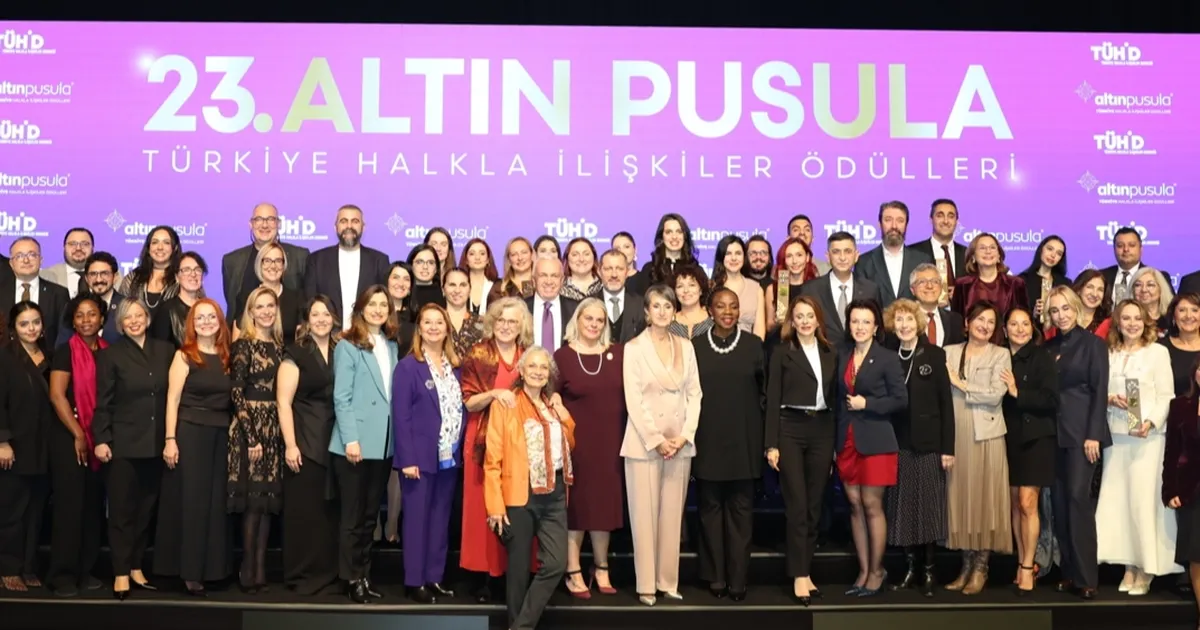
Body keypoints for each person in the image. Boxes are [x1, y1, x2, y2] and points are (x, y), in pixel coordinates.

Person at [622, 284, 702, 606]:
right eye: (656, 306)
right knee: (644, 517)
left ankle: (667, 581)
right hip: (644, 444)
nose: (662, 312)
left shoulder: (686, 346)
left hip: (679, 443)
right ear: (646, 311)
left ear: (674, 311)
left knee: (672, 516)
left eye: (668, 306)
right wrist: (656, 440)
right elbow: (634, 400)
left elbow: (695, 394)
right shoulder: (633, 349)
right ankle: (646, 584)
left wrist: (684, 435)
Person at [485, 346, 575, 630]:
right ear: (521, 371)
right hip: (519, 495)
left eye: (543, 367)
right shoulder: (505, 404)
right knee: (519, 569)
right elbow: (492, 460)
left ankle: (520, 626)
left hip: (555, 493)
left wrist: (564, 415)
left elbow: (570, 443)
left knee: (557, 563)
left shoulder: (553, 405)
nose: (538, 371)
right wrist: (495, 505)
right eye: (532, 366)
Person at [91, 298, 173, 599]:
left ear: (148, 319)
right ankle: (121, 572)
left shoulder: (166, 350)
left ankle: (137, 566)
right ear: (121, 324)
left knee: (146, 510)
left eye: (139, 315)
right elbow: (103, 402)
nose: (135, 321)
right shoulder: (110, 355)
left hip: (156, 444)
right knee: (122, 512)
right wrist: (101, 439)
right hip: (123, 445)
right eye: (128, 318)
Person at [1097, 300, 1180, 593]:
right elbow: (1098, 390)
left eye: (1137, 318)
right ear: (1117, 323)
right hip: (1116, 437)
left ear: (1145, 321)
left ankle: (1146, 568)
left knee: (1144, 503)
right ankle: (1129, 566)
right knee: (1120, 504)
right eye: (1126, 318)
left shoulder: (1157, 352)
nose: (1132, 324)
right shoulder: (1110, 353)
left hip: (1148, 439)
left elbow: (1167, 395)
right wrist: (1109, 398)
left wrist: (1151, 422)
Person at [155, 298, 234, 596]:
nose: (206, 322)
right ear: (192, 324)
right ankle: (189, 572)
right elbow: (172, 400)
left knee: (216, 504)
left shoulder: (228, 356)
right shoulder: (184, 355)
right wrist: (170, 440)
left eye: (211, 316)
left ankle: (213, 569)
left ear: (220, 321)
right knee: (194, 503)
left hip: (220, 436)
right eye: (199, 318)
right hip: (190, 434)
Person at [692, 287, 764, 600]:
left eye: (733, 306)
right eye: (720, 306)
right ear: (710, 310)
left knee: (741, 514)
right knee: (709, 512)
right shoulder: (694, 347)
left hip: (744, 442)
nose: (728, 312)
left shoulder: (754, 345)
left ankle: (737, 578)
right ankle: (716, 577)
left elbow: (764, 394)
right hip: (707, 440)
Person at [459, 297, 533, 602]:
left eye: (512, 321)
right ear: (492, 322)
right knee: (481, 509)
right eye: (501, 320)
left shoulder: (528, 356)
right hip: (482, 442)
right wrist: (495, 393)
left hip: (518, 447)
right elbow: (469, 402)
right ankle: (483, 577)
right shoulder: (479, 352)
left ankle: (509, 574)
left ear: (521, 325)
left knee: (514, 508)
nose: (506, 326)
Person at [766, 295, 836, 605]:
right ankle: (798, 575)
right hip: (790, 429)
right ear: (791, 321)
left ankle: (806, 572)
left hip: (821, 430)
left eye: (810, 315)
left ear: (818, 319)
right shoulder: (782, 353)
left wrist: (834, 446)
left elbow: (835, 402)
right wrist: (771, 444)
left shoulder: (831, 352)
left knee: (814, 507)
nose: (805, 321)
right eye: (799, 316)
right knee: (797, 506)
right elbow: (772, 399)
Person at [393, 304, 466, 604]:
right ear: (419, 328)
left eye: (439, 322)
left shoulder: (455, 366)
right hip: (419, 459)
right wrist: (407, 459)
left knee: (440, 519)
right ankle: (414, 581)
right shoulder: (408, 367)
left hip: (449, 457)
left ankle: (434, 577)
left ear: (447, 328)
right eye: (428, 322)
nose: (434, 327)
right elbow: (400, 417)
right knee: (417, 521)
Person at [881, 299, 954, 598]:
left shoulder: (934, 355)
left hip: (928, 445)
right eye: (899, 320)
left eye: (909, 319)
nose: (904, 325)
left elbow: (946, 404)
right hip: (897, 443)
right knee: (903, 508)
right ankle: (910, 569)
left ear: (919, 323)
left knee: (928, 509)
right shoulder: (887, 357)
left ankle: (929, 571)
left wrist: (948, 448)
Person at [330, 285, 398, 603]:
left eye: (384, 304)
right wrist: (351, 439)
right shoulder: (347, 346)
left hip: (383, 443)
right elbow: (341, 398)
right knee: (352, 518)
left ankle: (364, 574)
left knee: (370, 516)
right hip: (355, 445)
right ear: (361, 308)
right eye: (372, 304)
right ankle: (351, 578)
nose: (378, 309)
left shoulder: (391, 345)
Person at [555, 298, 626, 598]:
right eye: (589, 319)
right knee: (578, 507)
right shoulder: (562, 356)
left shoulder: (618, 354)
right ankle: (572, 570)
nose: (594, 325)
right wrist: (556, 403)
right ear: (577, 320)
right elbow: (551, 395)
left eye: (600, 320)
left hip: (611, 442)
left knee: (604, 506)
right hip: (577, 445)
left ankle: (601, 566)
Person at [836, 298, 906, 597]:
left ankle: (878, 571)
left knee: (871, 504)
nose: (860, 327)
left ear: (876, 327)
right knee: (854, 504)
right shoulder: (842, 354)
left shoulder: (887, 358)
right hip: (847, 440)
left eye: (866, 322)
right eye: (855, 321)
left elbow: (900, 400)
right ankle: (863, 570)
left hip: (877, 440)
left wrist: (869, 404)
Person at [1044, 285, 1110, 600]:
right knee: (1059, 504)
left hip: (1083, 435)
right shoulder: (1048, 346)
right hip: (1053, 436)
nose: (1061, 315)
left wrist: (1093, 434)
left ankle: (1087, 578)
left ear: (1076, 308)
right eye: (1054, 310)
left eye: (1066, 308)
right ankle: (1069, 572)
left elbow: (1100, 390)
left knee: (1077, 501)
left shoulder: (1093, 344)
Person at [943, 301, 1014, 594]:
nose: (984, 325)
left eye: (990, 321)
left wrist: (960, 384)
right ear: (967, 323)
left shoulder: (1001, 354)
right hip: (956, 434)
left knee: (985, 500)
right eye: (979, 319)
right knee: (962, 498)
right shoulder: (948, 352)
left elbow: (996, 395)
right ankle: (965, 566)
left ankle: (981, 567)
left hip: (987, 436)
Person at [46, 294, 109, 597]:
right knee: (70, 507)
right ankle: (62, 575)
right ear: (72, 321)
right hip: (69, 438)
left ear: (102, 319)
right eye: (80, 315)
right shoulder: (64, 351)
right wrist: (78, 434)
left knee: (92, 507)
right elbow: (57, 396)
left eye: (92, 314)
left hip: (98, 438)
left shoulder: (108, 352)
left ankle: (86, 570)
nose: (86, 320)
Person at [277, 296, 340, 595]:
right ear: (307, 320)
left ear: (334, 318)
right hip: (304, 441)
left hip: (335, 442)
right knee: (305, 511)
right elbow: (283, 402)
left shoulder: (342, 350)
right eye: (315, 314)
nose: (321, 319)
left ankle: (327, 573)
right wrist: (290, 444)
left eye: (326, 314)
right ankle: (301, 575)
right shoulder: (296, 353)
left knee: (329, 512)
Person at [228, 286, 285, 593]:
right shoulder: (243, 345)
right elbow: (236, 392)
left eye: (270, 306)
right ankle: (247, 568)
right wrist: (252, 438)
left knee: (266, 502)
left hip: (274, 427)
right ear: (250, 312)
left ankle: (261, 568)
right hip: (249, 428)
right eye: (259, 307)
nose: (265, 311)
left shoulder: (280, 345)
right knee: (252, 504)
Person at [1000, 306, 1059, 594]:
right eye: (1014, 324)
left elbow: (1051, 399)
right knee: (1014, 504)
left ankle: (1028, 565)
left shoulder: (1041, 356)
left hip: (1036, 438)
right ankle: (1020, 560)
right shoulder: (999, 356)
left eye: (1025, 323)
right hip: (1007, 437)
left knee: (1027, 503)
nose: (1020, 329)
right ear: (1004, 329)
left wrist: (1017, 392)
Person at [0, 304, 51, 593]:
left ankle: (28, 566)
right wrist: (2, 441)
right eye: (24, 324)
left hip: (44, 447)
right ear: (14, 328)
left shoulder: (49, 355)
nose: (31, 328)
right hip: (15, 447)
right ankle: (8, 568)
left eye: (35, 322)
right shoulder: (5, 358)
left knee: (35, 511)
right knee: (11, 511)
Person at [302, 205, 391, 326]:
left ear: (363, 227)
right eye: (343, 221)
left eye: (355, 221)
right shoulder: (316, 260)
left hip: (367, 333)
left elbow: (385, 303)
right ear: (335, 227)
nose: (349, 226)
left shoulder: (379, 260)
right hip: (328, 334)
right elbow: (309, 303)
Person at [1163, 356, 1200, 618]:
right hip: (1191, 492)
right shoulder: (1179, 406)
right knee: (1197, 556)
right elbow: (1172, 452)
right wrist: (1169, 490)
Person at [220, 202, 309, 310]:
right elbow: (232, 303)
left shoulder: (300, 257)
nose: (265, 225)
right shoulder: (232, 261)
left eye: (271, 219)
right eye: (258, 219)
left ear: (279, 224)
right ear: (251, 224)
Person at [801, 232, 881, 342]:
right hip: (823, 351)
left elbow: (878, 331)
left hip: (859, 351)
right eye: (836, 252)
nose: (842, 258)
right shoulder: (811, 289)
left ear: (856, 256)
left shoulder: (870, 289)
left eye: (847, 252)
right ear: (828, 256)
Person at [949, 233, 1029, 344]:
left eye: (992, 247)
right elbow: (956, 323)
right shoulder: (962, 284)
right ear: (973, 256)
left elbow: (1025, 320)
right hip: (972, 347)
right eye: (982, 248)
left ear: (999, 256)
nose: (988, 251)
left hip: (1008, 347)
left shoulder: (1016, 283)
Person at [853, 201, 933, 307]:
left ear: (906, 225)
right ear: (879, 224)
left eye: (900, 221)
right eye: (888, 220)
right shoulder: (864, 262)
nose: (894, 226)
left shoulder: (922, 260)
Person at [230, 241, 302, 345]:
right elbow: (237, 341)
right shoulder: (246, 297)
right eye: (267, 261)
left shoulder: (297, 298)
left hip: (288, 355)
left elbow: (300, 341)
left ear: (284, 265)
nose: (273, 266)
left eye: (278, 261)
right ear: (259, 264)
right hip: (254, 355)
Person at [1, 238, 70, 344]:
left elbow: (64, 335)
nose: (26, 260)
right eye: (19, 256)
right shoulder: (2, 291)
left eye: (32, 255)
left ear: (40, 260)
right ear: (11, 263)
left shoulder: (59, 294)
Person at [710, 235, 766, 338]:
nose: (734, 258)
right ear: (721, 257)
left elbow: (759, 331)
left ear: (744, 257)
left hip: (748, 347)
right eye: (728, 253)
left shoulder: (756, 289)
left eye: (738, 253)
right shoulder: (711, 287)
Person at [150, 252, 209, 348]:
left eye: (197, 270)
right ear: (177, 277)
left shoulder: (209, 308)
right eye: (186, 270)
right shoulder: (166, 310)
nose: (193, 274)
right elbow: (159, 350)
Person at [118, 226, 182, 316]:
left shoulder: (183, 279)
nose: (160, 247)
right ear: (148, 248)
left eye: (166, 243)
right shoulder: (132, 278)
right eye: (155, 242)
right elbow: (120, 314)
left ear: (175, 248)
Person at [764, 237, 819, 332]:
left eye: (799, 255)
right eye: (789, 256)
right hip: (780, 338)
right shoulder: (773, 289)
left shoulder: (817, 287)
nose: (794, 261)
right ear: (784, 260)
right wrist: (778, 322)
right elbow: (769, 326)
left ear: (807, 257)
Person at [1017, 236, 1070, 325]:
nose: (1053, 255)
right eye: (1050, 249)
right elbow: (1015, 313)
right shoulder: (1022, 280)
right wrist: (1033, 314)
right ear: (1041, 249)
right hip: (1031, 330)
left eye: (1059, 253)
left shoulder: (1065, 283)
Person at [597, 249, 646, 344]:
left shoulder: (640, 304)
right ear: (599, 272)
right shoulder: (588, 303)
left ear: (627, 272)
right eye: (608, 269)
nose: (614, 275)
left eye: (619, 269)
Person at [1163, 294, 1200, 397]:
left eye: (1195, 310)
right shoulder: (1160, 348)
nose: (1188, 316)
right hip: (1170, 407)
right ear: (1174, 316)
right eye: (1182, 310)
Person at [443, 268, 484, 357]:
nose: (457, 290)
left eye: (463, 285)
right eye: (452, 285)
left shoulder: (483, 323)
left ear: (469, 290)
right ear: (443, 290)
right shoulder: (435, 321)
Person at [668, 264, 713, 340]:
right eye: (680, 286)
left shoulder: (713, 320)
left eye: (692, 285)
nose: (686, 290)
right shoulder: (668, 322)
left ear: (701, 290)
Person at [459, 238, 499, 315]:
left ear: (488, 260)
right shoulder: (458, 286)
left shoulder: (499, 286)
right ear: (466, 260)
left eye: (482, 253)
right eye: (472, 254)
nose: (477, 257)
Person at [489, 237, 535, 301]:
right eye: (514, 254)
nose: (520, 258)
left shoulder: (541, 284)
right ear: (509, 259)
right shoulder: (499, 287)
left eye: (524, 252)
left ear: (532, 255)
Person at [407, 244, 447, 310]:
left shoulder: (445, 294)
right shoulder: (403, 293)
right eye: (419, 262)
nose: (425, 267)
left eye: (430, 263)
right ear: (411, 265)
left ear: (436, 268)